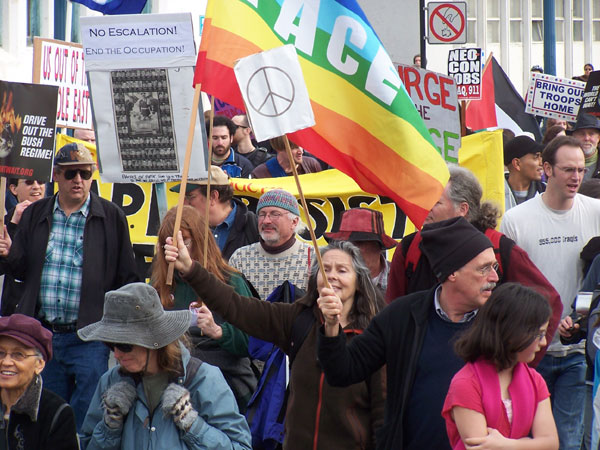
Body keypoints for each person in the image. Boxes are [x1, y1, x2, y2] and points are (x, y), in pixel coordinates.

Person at [165, 238, 386, 450]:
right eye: (325, 269)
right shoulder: (299, 319)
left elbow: (383, 413)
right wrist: (191, 269)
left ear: (358, 282)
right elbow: (237, 306)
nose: (332, 277)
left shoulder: (373, 336)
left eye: (342, 270)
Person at [317, 217, 499, 449]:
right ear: (452, 272)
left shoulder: (500, 321)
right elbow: (342, 371)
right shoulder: (402, 316)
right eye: (484, 268)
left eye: (494, 267)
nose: (494, 277)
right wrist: (332, 326)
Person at [0, 142, 141, 430]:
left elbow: (127, 277)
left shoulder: (111, 216)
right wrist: (8, 252)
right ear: (56, 175)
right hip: (43, 334)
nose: (78, 180)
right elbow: (20, 270)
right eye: (70, 173)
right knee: (46, 415)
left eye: (85, 173)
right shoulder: (35, 213)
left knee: (87, 417)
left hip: (90, 336)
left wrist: (122, 333)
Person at [386, 165, 562, 366]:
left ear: (463, 209)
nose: (425, 207)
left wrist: (517, 366)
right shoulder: (410, 248)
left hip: (484, 372)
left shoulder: (500, 248)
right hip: (421, 370)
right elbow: (393, 315)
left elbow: (549, 301)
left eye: (435, 202)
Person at [500, 135, 600, 450]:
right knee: (529, 439)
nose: (576, 177)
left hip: (577, 351)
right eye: (568, 169)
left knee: (568, 441)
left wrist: (581, 320)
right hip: (530, 351)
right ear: (547, 169)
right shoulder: (516, 220)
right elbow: (507, 287)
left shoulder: (596, 212)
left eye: (581, 170)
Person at [78, 282, 252, 450]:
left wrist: (192, 424)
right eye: (110, 344)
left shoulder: (204, 379)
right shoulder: (111, 381)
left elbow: (240, 446)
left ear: (154, 339)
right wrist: (110, 427)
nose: (116, 354)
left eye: (124, 345)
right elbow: (87, 443)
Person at [152, 205, 257, 413]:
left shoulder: (230, 281)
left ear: (200, 240)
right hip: (172, 380)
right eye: (168, 244)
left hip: (224, 381)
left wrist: (218, 331)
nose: (176, 251)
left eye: (184, 242)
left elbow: (252, 341)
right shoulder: (160, 285)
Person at [442, 283, 558, 449]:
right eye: (539, 334)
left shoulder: (535, 380)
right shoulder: (466, 383)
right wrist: (529, 444)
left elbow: (551, 443)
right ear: (512, 332)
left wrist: (506, 445)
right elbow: (481, 447)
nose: (544, 342)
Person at [0, 314, 78, 449]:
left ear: (39, 364)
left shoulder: (56, 413)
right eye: (1, 353)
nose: (6, 362)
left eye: (18, 355)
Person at [228, 189, 312, 300]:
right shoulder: (240, 258)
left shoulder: (314, 257)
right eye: (262, 214)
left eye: (275, 214)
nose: (266, 221)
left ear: (294, 222)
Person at [170, 166, 259, 261]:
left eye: (190, 196)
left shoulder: (255, 227)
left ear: (213, 196)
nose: (184, 203)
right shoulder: (183, 228)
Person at [1, 177, 46, 316]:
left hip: (43, 308)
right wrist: (14, 224)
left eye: (41, 181)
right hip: (14, 308)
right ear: (13, 189)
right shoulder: (7, 220)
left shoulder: (53, 218)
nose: (36, 186)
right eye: (29, 182)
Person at [324, 207, 396, 293]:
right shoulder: (328, 278)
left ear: (378, 246)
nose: (351, 249)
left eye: (359, 242)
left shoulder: (399, 276)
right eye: (344, 244)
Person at [503, 135, 546, 210]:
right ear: (517, 163)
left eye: (541, 157)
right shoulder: (495, 195)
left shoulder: (547, 193)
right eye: (536, 157)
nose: (541, 163)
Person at [251, 136, 322, 178]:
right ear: (279, 148)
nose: (301, 151)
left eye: (301, 146)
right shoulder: (260, 174)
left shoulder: (312, 165)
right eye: (294, 148)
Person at [568, 113, 600, 180]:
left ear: (598, 138)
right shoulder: (562, 160)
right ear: (573, 137)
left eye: (591, 134)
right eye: (581, 134)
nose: (587, 138)